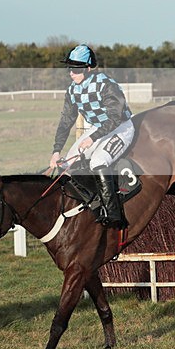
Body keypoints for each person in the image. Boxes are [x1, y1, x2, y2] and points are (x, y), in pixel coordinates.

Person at [49, 44, 134, 228]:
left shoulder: (107, 85)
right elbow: (66, 121)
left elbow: (115, 118)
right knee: (67, 164)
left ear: (88, 69)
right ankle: (93, 203)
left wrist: (93, 138)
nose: (71, 73)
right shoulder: (72, 91)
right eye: (70, 68)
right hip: (97, 129)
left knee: (98, 161)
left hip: (120, 128)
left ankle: (113, 214)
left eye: (76, 68)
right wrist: (56, 151)